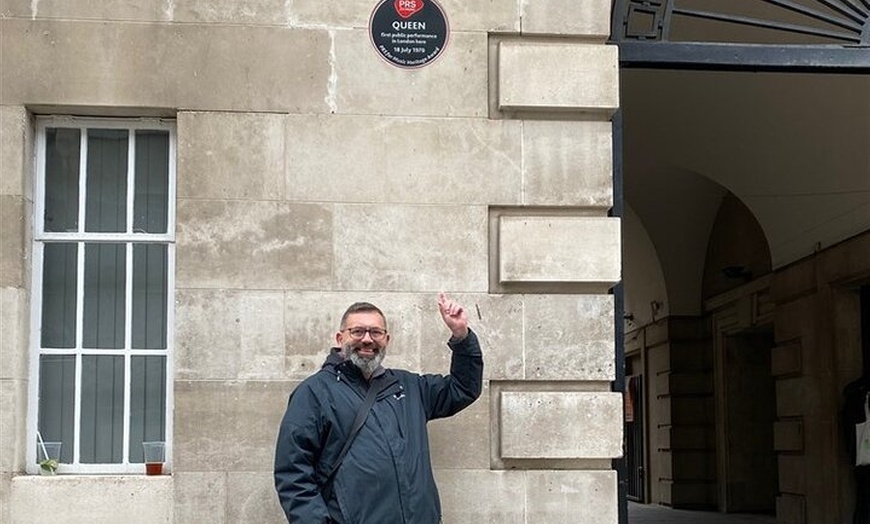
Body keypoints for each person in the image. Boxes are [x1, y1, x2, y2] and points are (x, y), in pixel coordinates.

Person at [274, 293, 484, 524]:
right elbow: (293, 475)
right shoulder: (314, 392)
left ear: (386, 339)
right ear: (339, 337)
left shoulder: (410, 386)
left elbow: (463, 388)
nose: (367, 339)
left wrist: (461, 336)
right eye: (357, 332)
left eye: (376, 332)